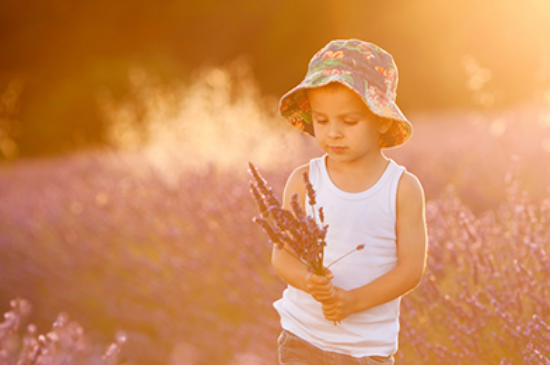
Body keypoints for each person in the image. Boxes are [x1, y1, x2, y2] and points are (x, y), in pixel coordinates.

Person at [272, 39, 428, 365]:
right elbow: (282, 257)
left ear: (382, 120)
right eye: (322, 120)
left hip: (365, 349)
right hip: (303, 339)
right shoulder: (302, 180)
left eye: (350, 121)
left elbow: (411, 268)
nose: (333, 134)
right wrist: (308, 281)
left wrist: (355, 301)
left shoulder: (401, 188)